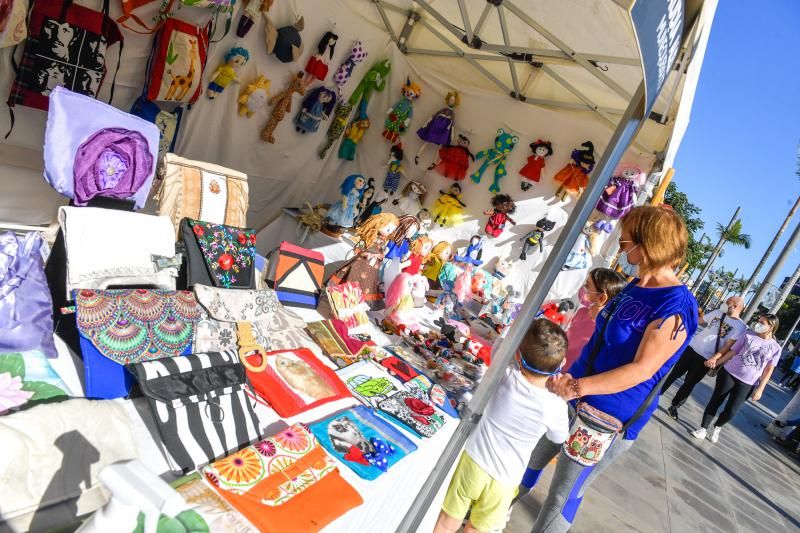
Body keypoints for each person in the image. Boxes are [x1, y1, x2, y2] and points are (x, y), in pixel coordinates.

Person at [519, 206, 698, 533]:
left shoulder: (676, 305)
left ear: (647, 245)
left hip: (605, 416)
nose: (620, 246)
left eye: (626, 240)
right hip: (572, 396)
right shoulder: (636, 284)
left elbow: (641, 370)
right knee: (528, 460)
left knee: (563, 494)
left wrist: (578, 387)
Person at [433, 319, 569, 533]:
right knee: (476, 530)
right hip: (506, 479)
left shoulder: (503, 373)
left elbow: (502, 341)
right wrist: (563, 396)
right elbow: (559, 438)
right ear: (562, 364)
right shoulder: (555, 406)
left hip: (473, 461)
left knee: (445, 522)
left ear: (517, 354)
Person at [691, 314, 781, 443]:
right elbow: (733, 352)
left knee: (731, 411)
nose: (758, 324)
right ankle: (703, 429)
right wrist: (717, 362)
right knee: (715, 401)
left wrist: (760, 389)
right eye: (758, 321)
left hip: (748, 383)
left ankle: (718, 426)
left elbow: (768, 370)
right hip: (728, 373)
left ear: (771, 326)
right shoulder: (748, 335)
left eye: (762, 323)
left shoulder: (776, 348)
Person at [660, 296, 747, 420]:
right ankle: (657, 393)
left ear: (735, 306)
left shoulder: (740, 326)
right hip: (691, 348)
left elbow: (729, 346)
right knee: (674, 373)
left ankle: (675, 406)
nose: (724, 303)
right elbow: (699, 321)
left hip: (706, 358)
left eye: (727, 302)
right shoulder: (718, 313)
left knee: (689, 383)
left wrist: (714, 358)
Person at [563, 268, 627, 371]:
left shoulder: (606, 333)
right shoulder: (581, 313)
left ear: (601, 298)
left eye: (587, 285)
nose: (583, 288)